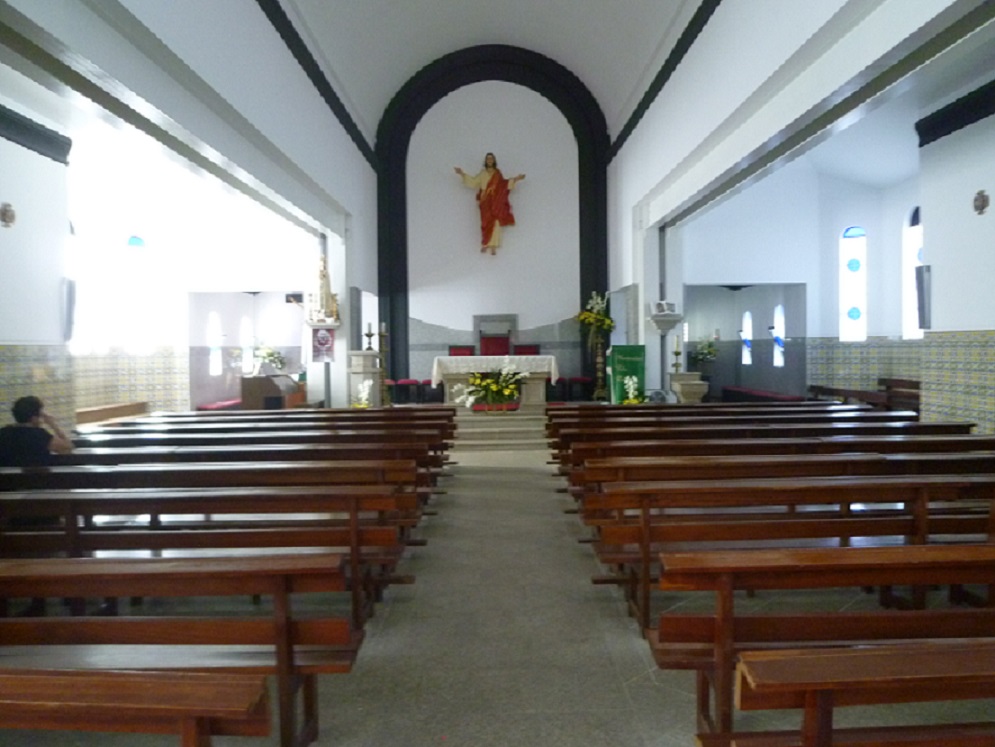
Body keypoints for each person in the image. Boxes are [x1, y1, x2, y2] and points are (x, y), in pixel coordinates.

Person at [455, 152, 525, 255]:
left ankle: (493, 246)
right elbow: (474, 182)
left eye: (491, 159)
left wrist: (516, 179)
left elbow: (504, 184)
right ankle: (485, 243)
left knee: (495, 222)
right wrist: (462, 174)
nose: (490, 160)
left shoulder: (497, 173)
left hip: (496, 200)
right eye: (488, 159)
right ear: (486, 161)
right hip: (485, 200)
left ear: (494, 161)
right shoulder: (483, 173)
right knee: (485, 222)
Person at [0, 395, 74, 467]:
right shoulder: (40, 435)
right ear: (34, 418)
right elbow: (68, 448)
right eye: (41, 415)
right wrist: (53, 425)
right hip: (38, 478)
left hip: (7, 479)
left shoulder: (3, 432)